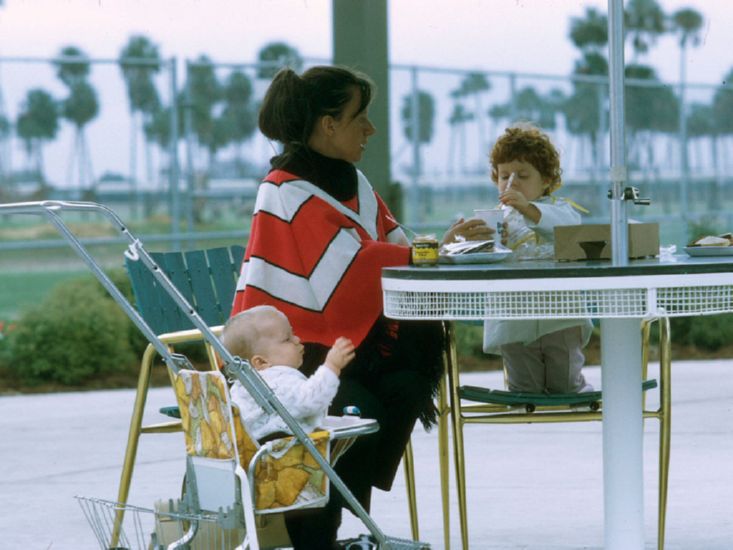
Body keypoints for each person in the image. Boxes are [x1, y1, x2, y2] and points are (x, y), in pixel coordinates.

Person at [231, 65, 491, 548]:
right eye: (360, 117)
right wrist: (421, 253)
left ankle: (335, 511)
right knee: (356, 409)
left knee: (408, 385)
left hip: (349, 346)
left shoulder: (350, 178)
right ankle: (318, 527)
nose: (370, 129)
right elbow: (347, 267)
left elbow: (389, 242)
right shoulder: (283, 187)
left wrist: (442, 246)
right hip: (289, 359)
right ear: (329, 124)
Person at [483, 123, 594, 394]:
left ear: (545, 180)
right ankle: (526, 398)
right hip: (514, 320)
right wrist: (488, 239)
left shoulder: (560, 210)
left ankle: (578, 390)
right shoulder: (497, 217)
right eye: (504, 176)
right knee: (524, 389)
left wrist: (528, 209)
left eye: (522, 175)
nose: (511, 183)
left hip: (561, 317)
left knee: (565, 383)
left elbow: (570, 229)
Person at [221, 305, 355, 442]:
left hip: (261, 456)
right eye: (287, 339)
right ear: (261, 362)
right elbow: (311, 400)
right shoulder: (276, 382)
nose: (297, 339)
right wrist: (332, 366)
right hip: (289, 455)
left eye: (293, 333)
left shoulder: (241, 387)